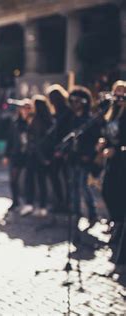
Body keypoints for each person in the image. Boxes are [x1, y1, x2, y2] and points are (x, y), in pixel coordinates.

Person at [99, 81, 126, 263]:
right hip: (112, 160)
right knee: (106, 190)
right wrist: (104, 143)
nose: (118, 95)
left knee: (118, 191)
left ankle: (119, 225)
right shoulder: (112, 113)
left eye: (122, 92)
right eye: (116, 92)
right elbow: (109, 133)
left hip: (122, 160)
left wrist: (116, 148)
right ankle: (116, 221)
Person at [67, 86, 100, 225]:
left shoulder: (90, 120)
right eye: (72, 100)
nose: (75, 104)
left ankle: (93, 214)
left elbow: (96, 139)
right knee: (73, 186)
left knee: (84, 186)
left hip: (86, 159)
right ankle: (76, 214)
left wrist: (90, 155)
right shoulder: (71, 119)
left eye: (78, 101)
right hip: (73, 158)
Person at [21, 95, 53, 217]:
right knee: (37, 180)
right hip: (37, 155)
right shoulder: (43, 120)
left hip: (38, 155)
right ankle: (38, 205)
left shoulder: (38, 121)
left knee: (36, 180)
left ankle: (37, 205)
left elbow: (37, 139)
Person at [46, 84, 73, 213]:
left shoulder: (67, 112)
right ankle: (60, 202)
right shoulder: (56, 113)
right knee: (54, 175)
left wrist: (63, 150)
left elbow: (67, 131)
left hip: (65, 149)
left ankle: (67, 204)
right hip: (55, 149)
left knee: (67, 178)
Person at [3, 99, 29, 211]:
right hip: (16, 154)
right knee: (13, 179)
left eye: (27, 108)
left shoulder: (33, 122)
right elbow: (10, 140)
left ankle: (29, 202)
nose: (25, 110)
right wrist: (6, 155)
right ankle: (15, 201)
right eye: (23, 108)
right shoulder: (15, 122)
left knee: (29, 179)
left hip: (29, 154)